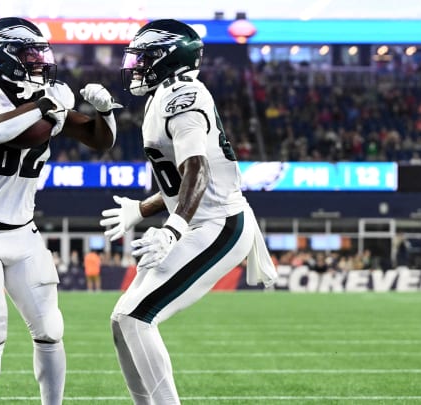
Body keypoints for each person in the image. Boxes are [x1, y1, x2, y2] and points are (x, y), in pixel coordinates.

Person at [101, 20, 277, 404]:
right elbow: (178, 180)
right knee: (121, 321)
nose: (135, 65)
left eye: (144, 58)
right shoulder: (161, 95)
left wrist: (171, 229)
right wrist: (143, 208)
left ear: (168, 59)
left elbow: (197, 169)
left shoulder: (184, 96)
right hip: (200, 220)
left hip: (218, 225)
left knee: (136, 317)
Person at [0, 17, 119, 405]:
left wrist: (106, 113)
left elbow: (98, 140)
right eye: (29, 53)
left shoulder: (42, 99)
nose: (39, 60)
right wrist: (47, 107)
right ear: (1, 54)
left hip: (23, 231)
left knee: (50, 329)